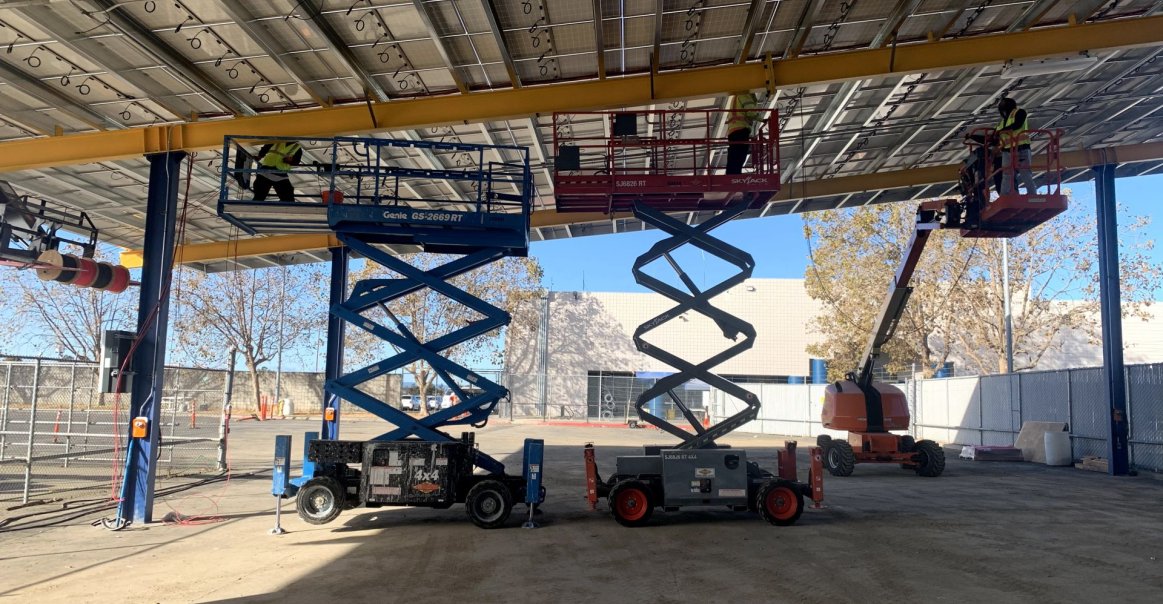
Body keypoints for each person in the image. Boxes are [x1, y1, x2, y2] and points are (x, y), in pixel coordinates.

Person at [995, 97, 1037, 195]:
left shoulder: (1020, 112)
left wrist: (1002, 131)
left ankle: (1032, 194)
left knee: (1025, 172)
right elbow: (993, 137)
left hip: (1021, 148)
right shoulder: (1002, 123)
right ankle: (1004, 196)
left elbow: (1018, 124)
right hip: (1007, 151)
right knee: (1006, 174)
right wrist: (972, 136)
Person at [726, 91, 761, 175]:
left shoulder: (736, 96)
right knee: (740, 154)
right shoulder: (744, 94)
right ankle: (735, 174)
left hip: (732, 130)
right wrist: (763, 119)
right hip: (741, 128)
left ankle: (731, 174)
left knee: (734, 154)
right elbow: (751, 112)